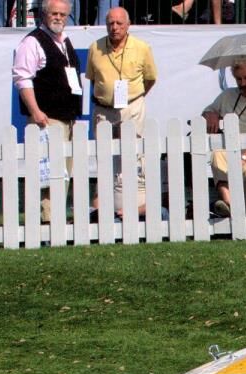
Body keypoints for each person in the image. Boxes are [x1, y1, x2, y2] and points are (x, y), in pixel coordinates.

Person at [13, 0, 84, 224]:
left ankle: (58, 219)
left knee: (64, 173)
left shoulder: (65, 42)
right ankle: (47, 222)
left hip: (67, 119)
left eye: (63, 14)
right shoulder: (33, 42)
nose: (58, 18)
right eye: (54, 13)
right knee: (49, 174)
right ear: (44, 15)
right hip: (47, 118)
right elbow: (22, 78)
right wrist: (35, 111)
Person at [86, 7, 157, 219]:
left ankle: (133, 206)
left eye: (119, 23)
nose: (114, 28)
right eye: (110, 23)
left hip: (132, 106)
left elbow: (150, 78)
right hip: (103, 109)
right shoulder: (95, 47)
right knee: (104, 156)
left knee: (133, 155)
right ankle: (102, 205)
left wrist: (133, 98)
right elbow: (92, 78)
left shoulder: (142, 48)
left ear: (128, 25)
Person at [202, 57, 246, 218]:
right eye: (239, 79)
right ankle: (229, 205)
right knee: (217, 155)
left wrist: (245, 156)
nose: (243, 83)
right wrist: (211, 114)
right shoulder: (228, 95)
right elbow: (207, 111)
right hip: (232, 149)